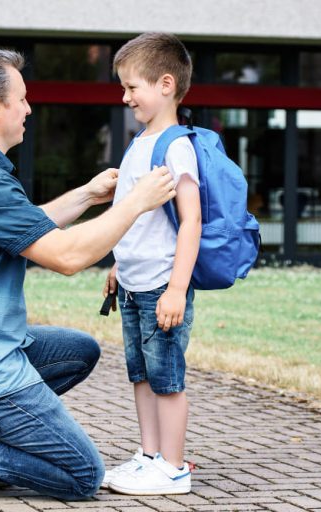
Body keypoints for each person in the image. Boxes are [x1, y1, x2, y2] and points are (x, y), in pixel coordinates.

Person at [0, 44, 177, 503]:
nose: (29, 108)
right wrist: (136, 203)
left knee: (79, 351)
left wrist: (88, 195)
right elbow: (66, 257)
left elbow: (25, 227)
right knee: (82, 474)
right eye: (22, 98)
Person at [101, 33, 201, 495]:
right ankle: (149, 456)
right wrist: (118, 266)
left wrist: (177, 288)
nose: (124, 97)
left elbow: (190, 222)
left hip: (163, 286)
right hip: (133, 284)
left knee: (167, 379)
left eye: (131, 87)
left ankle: (174, 467)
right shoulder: (140, 141)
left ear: (165, 84)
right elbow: (137, 217)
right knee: (141, 375)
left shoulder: (175, 146)